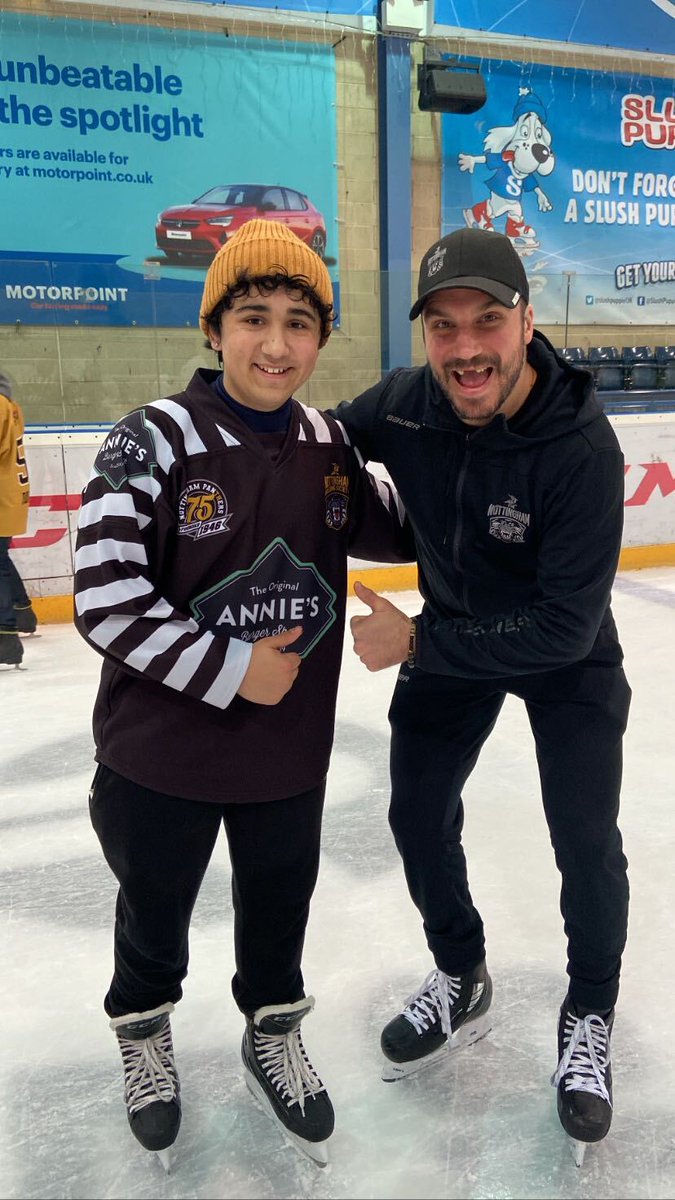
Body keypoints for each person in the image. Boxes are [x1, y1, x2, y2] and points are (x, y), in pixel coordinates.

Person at [73, 219, 412, 1171]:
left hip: (284, 756)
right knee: (154, 908)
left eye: (299, 322)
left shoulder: (329, 445)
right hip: (160, 757)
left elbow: (410, 528)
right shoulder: (154, 438)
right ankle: (143, 1030)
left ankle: (273, 1029)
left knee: (277, 907)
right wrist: (232, 668)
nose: (275, 343)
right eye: (252, 317)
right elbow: (101, 595)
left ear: (320, 338)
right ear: (213, 326)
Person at [334, 226, 630, 1163]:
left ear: (527, 323)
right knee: (417, 814)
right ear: (423, 336)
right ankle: (460, 973)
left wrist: (415, 637)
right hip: (455, 634)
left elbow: (564, 629)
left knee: (584, 839)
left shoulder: (581, 446)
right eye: (443, 328)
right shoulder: (405, 404)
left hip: (556, 649)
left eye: (487, 322)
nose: (466, 349)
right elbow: (313, 444)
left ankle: (588, 1013)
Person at [0, 372, 37, 669]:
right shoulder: (10, 405)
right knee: (1, 559)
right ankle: (23, 613)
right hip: (10, 494)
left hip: (2, 496)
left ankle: (5, 636)